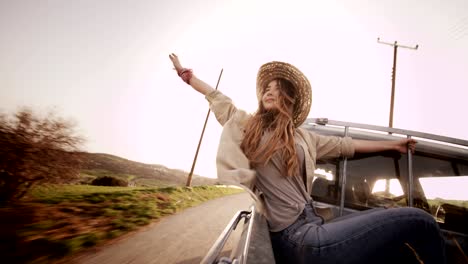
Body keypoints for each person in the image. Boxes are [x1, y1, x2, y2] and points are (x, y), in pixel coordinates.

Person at [169, 53, 445, 264]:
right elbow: (219, 98)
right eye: (267, 87)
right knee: (421, 220)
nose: (269, 91)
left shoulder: (305, 137)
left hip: (314, 222)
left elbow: (346, 145)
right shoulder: (248, 125)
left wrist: (392, 145)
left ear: (289, 99)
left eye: (278, 89)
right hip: (296, 237)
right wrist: (187, 76)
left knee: (391, 228)